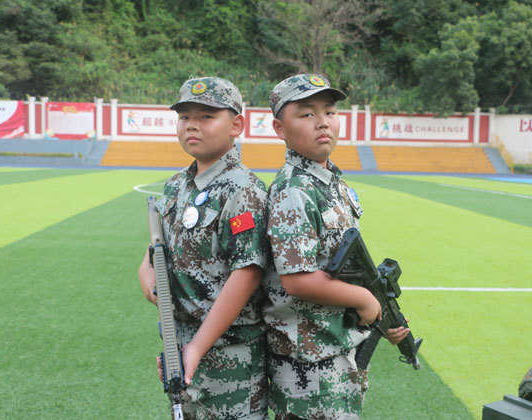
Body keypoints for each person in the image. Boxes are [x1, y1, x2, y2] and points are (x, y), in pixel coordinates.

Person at [263, 74, 410, 419]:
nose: (322, 122)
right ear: (280, 129)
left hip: (334, 348)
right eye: (306, 114)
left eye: (329, 112)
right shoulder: (294, 190)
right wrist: (365, 300)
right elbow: (297, 279)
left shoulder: (331, 183)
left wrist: (380, 310)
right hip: (308, 363)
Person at [137, 77, 268, 419]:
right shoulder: (177, 186)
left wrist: (196, 347)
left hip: (231, 359)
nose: (192, 125)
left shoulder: (243, 190)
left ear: (236, 125)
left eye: (207, 116)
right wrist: (151, 282)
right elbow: (153, 254)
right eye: (185, 117)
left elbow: (247, 273)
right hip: (180, 351)